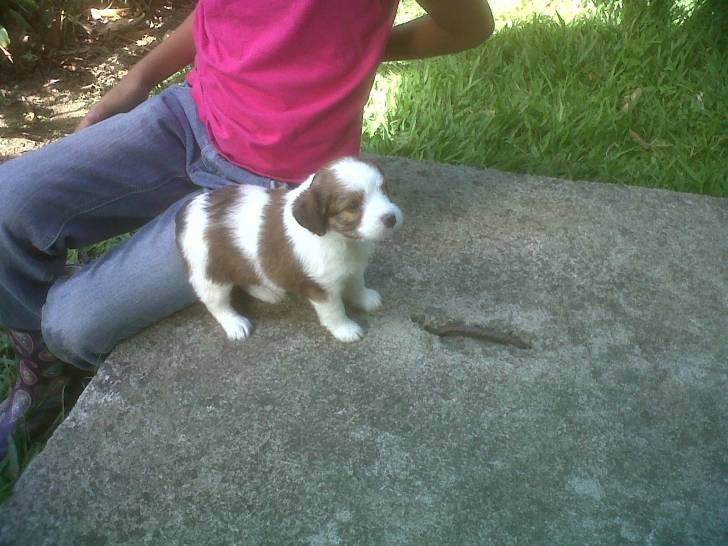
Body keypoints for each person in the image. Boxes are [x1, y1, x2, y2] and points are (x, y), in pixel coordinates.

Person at [0, 0, 494, 455]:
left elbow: (467, 26)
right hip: (187, 118)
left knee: (70, 326)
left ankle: (60, 343)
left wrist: (360, 51)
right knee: (8, 202)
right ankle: (42, 366)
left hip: (274, 185)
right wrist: (139, 78)